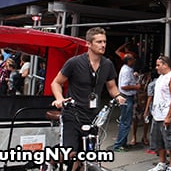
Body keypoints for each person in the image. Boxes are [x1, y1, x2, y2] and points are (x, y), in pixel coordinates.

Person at [51, 27, 126, 170]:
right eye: (99, 42)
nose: (103, 45)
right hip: (72, 113)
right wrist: (60, 98)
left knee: (87, 153)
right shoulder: (74, 62)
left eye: (104, 41)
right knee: (71, 152)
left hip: (92, 115)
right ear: (89, 44)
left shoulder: (107, 64)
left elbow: (111, 87)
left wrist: (118, 96)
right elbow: (56, 83)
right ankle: (51, 159)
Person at [147, 55, 171, 171]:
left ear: (165, 65)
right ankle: (162, 163)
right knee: (158, 141)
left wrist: (168, 116)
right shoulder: (160, 78)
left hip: (168, 116)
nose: (157, 67)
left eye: (158, 65)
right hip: (157, 115)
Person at [114, 54, 141, 151]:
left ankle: (123, 143)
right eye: (133, 59)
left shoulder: (128, 69)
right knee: (125, 122)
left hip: (127, 96)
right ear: (129, 61)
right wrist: (136, 87)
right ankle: (119, 144)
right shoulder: (126, 71)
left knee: (126, 121)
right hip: (126, 97)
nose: (134, 61)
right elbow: (124, 86)